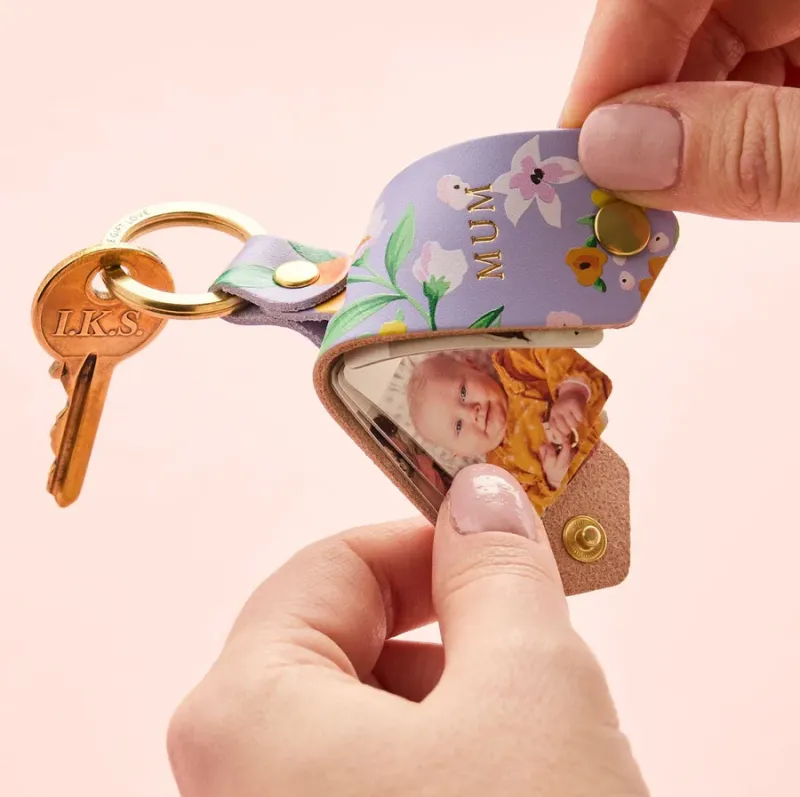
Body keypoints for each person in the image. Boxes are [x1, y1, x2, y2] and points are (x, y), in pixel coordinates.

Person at [166, 3, 800, 795]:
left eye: (467, 390)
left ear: (476, 365)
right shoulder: (503, 469)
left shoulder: (524, 379)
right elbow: (551, 446)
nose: (476, 412)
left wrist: (568, 404)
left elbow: (577, 386)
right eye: (462, 425)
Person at [406, 349, 610, 512]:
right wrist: (553, 480)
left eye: (463, 392)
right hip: (591, 487)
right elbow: (532, 513)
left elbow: (556, 352)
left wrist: (572, 391)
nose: (471, 412)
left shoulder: (517, 367)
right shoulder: (500, 478)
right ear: (460, 452)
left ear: (473, 366)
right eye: (458, 426)